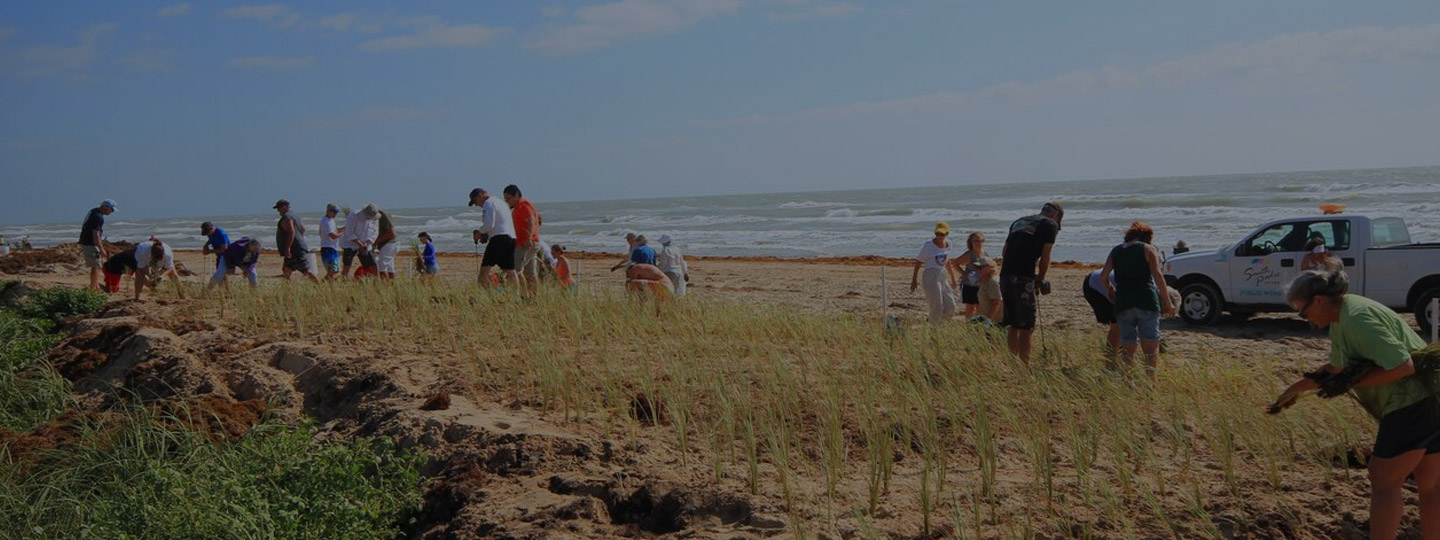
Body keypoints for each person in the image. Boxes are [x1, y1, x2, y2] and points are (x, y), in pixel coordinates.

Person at [1271, 269, 1440, 540]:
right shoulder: (1343, 316)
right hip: (1431, 396)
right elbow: (1337, 368)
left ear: (1318, 300)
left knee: (1383, 479)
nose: (1307, 320)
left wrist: (1351, 383)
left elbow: (1403, 366)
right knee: (1430, 484)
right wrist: (1295, 389)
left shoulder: (1357, 319)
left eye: (1303, 312)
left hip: (1412, 401)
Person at [1098, 222, 1176, 378]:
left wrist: (1110, 289)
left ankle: (1129, 379)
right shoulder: (1147, 249)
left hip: (1124, 302)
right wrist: (1168, 302)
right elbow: (1157, 275)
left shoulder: (1116, 251)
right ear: (1146, 237)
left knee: (1128, 344)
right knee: (1151, 343)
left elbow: (1103, 276)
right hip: (1146, 300)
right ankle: (1150, 380)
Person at [999, 201, 1064, 364]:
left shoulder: (1019, 221)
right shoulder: (1050, 225)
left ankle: (1013, 364)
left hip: (1005, 276)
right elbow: (1046, 256)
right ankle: (1024, 367)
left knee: (1014, 323)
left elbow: (1004, 251)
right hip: (1023, 277)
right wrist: (1040, 278)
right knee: (1027, 326)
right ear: (1055, 215)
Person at [469, 188, 518, 286]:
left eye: (475, 201)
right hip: (511, 238)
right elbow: (499, 223)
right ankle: (516, 297)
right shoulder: (501, 203)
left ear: (480, 195)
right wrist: (486, 234)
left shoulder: (488, 203)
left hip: (498, 239)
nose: (477, 205)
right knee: (510, 270)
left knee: (484, 272)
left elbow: (489, 224)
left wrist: (479, 233)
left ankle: (485, 297)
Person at [101, 239, 178, 301]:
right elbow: (140, 274)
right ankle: (95, 286)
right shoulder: (139, 256)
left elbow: (169, 268)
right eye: (154, 259)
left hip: (121, 266)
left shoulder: (166, 253)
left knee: (174, 275)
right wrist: (152, 284)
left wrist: (159, 277)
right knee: (112, 290)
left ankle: (181, 294)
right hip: (111, 269)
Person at [911, 222, 957, 324]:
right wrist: (914, 279)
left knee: (951, 307)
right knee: (937, 307)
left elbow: (947, 261)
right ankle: (934, 330)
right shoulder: (929, 245)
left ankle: (938, 325)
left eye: (942, 234)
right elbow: (919, 261)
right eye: (937, 234)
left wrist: (952, 278)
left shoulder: (949, 244)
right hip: (930, 275)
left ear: (947, 234)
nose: (939, 236)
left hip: (942, 275)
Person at [503, 185, 542, 290]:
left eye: (508, 199)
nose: (507, 202)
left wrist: (528, 238)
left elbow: (531, 221)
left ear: (516, 195)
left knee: (515, 271)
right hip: (528, 242)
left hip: (526, 243)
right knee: (530, 273)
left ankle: (523, 296)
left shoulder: (523, 205)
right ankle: (533, 298)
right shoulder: (520, 206)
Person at [274, 199, 318, 282]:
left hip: (295, 250)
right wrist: (299, 238)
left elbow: (291, 231)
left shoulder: (287, 217)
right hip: (297, 247)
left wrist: (288, 247)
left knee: (306, 270)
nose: (278, 211)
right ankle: (288, 292)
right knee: (286, 270)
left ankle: (320, 287)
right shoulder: (295, 215)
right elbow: (303, 229)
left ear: (284, 207)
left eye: (279, 208)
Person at [80, 199, 117, 292]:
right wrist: (101, 249)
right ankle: (93, 289)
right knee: (96, 266)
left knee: (96, 265)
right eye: (112, 209)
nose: (112, 212)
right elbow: (95, 234)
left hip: (86, 241)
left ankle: (95, 286)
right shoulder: (98, 217)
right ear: (106, 207)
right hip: (90, 243)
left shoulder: (93, 211)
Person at [1082, 267, 1121, 354]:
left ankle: (1118, 355)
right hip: (1095, 285)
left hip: (1103, 280)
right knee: (1118, 324)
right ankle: (1111, 361)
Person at [952, 232, 988, 318]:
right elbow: (955, 263)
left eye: (980, 240)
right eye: (975, 241)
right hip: (970, 284)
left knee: (980, 306)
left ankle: (978, 326)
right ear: (971, 242)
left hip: (981, 283)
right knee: (970, 307)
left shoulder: (985, 253)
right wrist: (964, 274)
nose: (978, 243)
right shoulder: (969, 254)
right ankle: (968, 325)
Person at [340, 204, 380, 278]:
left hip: (365, 245)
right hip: (350, 244)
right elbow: (349, 232)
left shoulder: (375, 218)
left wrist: (367, 243)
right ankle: (343, 282)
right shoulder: (353, 216)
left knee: (373, 265)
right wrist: (360, 244)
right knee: (347, 265)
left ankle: (377, 283)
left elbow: (374, 232)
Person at [318, 203, 345, 280]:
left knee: (335, 269)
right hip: (328, 248)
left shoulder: (331, 220)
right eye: (334, 212)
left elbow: (335, 231)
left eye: (336, 212)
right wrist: (343, 233)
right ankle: (323, 283)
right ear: (328, 211)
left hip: (332, 247)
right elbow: (333, 236)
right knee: (333, 270)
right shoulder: (326, 221)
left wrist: (344, 229)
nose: (335, 214)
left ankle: (325, 283)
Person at [974, 257, 1003, 322]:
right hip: (984, 317)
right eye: (976, 268)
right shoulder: (983, 281)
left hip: (996, 321)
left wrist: (988, 320)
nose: (978, 270)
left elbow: (996, 303)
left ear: (990, 268)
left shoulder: (993, 282)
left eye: (980, 268)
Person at [373, 209, 398, 279]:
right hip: (390, 245)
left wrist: (376, 243)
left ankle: (385, 285)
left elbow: (392, 233)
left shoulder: (383, 216)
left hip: (388, 245)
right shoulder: (382, 216)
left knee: (382, 267)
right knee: (390, 267)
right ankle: (392, 286)